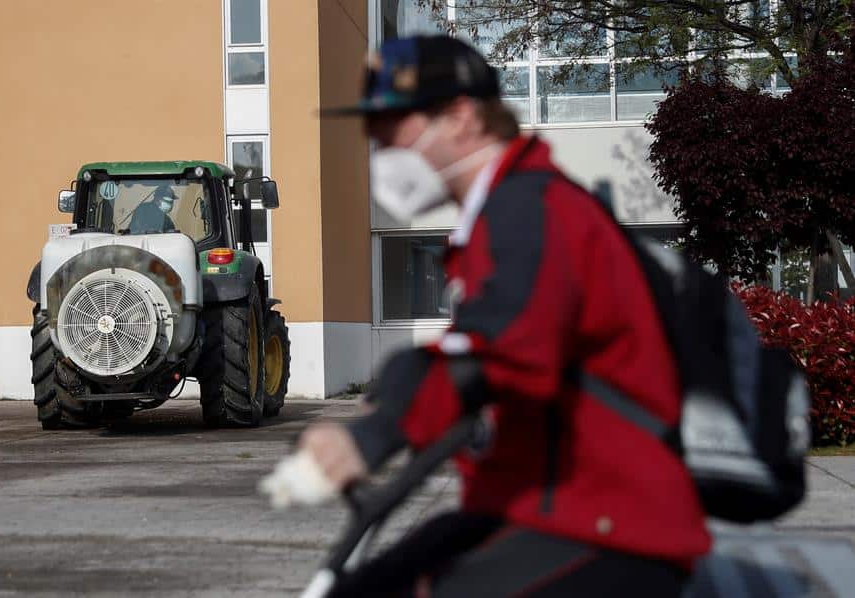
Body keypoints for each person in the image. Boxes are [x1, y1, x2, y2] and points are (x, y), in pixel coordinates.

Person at [262, 35, 711, 596]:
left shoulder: (530, 210)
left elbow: (504, 354)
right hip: (537, 503)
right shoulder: (499, 215)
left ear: (459, 117)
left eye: (390, 128)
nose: (377, 148)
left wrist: (376, 431)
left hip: (611, 523)